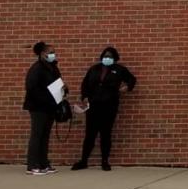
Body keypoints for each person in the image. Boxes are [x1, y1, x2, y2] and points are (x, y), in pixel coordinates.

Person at [72, 46, 137, 172]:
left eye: (110, 56)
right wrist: (84, 97)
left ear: (115, 58)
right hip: (93, 105)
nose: (107, 58)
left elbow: (132, 80)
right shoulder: (94, 69)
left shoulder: (119, 70)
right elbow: (85, 84)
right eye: (105, 56)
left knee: (105, 134)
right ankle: (84, 160)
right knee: (90, 134)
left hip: (109, 105)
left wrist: (127, 87)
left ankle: (105, 161)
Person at [23, 41, 63, 176]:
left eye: (53, 52)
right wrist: (46, 98)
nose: (53, 54)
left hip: (50, 106)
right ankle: (32, 165)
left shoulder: (52, 67)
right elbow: (31, 88)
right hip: (38, 106)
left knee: (45, 135)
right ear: (42, 54)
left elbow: (57, 83)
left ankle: (44, 163)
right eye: (50, 52)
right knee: (37, 135)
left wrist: (63, 89)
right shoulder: (37, 68)